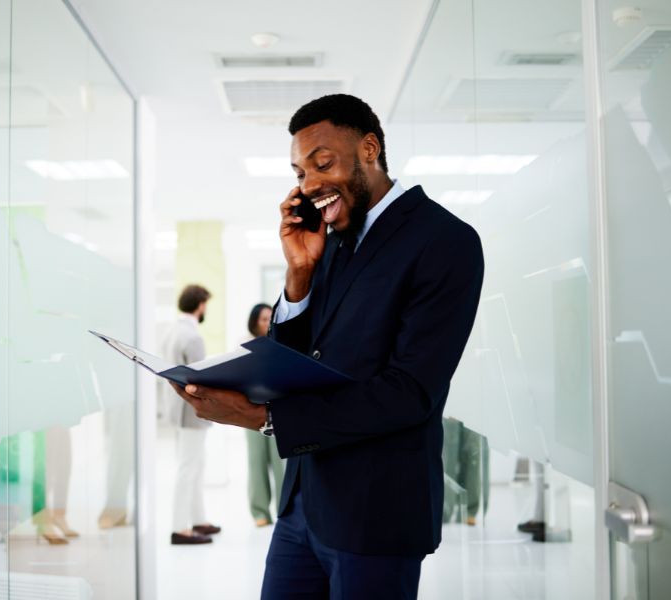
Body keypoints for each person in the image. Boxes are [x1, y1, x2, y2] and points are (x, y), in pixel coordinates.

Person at [170, 94, 484, 598]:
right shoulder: (331, 241)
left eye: (322, 164)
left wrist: (263, 418)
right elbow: (299, 358)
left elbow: (409, 392)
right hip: (302, 505)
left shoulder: (444, 240)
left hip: (375, 516)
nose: (310, 184)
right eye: (299, 174)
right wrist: (298, 274)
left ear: (369, 148)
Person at [160, 284, 222, 545]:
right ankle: (179, 528)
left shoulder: (172, 331)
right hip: (192, 412)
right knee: (189, 467)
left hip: (178, 411)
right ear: (200, 305)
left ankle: (198, 519)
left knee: (195, 465)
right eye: (205, 303)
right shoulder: (193, 337)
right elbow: (201, 379)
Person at [243, 303, 285, 527]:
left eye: (271, 318)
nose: (268, 322)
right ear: (254, 323)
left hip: (279, 409)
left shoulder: (281, 345)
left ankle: (282, 510)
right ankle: (259, 512)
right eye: (263, 319)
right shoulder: (246, 347)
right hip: (252, 410)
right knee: (256, 462)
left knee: (281, 462)